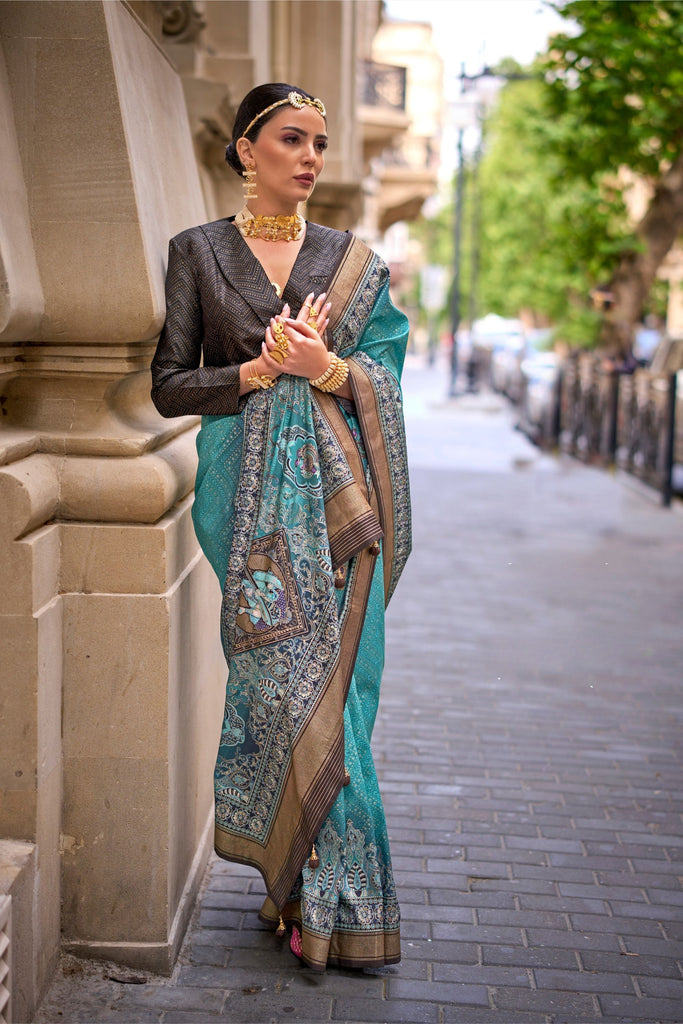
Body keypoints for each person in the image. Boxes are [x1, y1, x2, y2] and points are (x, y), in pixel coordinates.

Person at [151, 82, 411, 972]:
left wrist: (327, 367)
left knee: (335, 704)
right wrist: (255, 375)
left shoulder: (351, 260)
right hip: (245, 515)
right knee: (276, 700)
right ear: (245, 150)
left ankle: (341, 908)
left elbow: (386, 374)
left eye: (319, 144)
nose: (310, 158)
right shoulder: (197, 253)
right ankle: (292, 884)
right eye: (292, 139)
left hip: (341, 515)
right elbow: (167, 385)